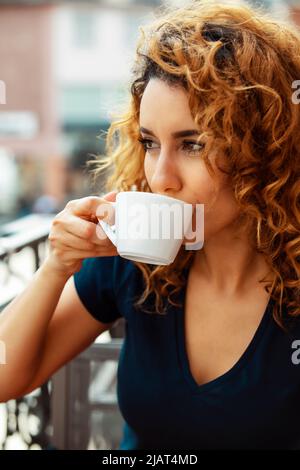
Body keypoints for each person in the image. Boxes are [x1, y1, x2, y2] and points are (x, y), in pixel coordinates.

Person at [0, 0, 300, 450]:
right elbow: (6, 379)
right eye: (149, 142)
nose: (160, 178)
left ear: (265, 148)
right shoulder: (136, 261)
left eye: (192, 144)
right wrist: (56, 267)